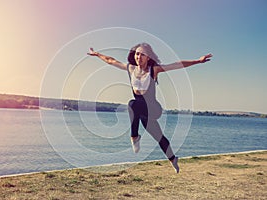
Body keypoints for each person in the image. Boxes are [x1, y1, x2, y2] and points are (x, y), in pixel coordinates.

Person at [88, 43, 212, 173]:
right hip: (141, 111)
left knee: (132, 104)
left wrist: (198, 61)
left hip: (153, 108)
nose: (139, 57)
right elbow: (110, 60)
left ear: (148, 57)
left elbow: (177, 65)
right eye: (137, 54)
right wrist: (97, 54)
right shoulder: (130, 69)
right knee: (159, 137)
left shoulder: (154, 70)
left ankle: (134, 137)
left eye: (142, 54)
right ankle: (173, 159)